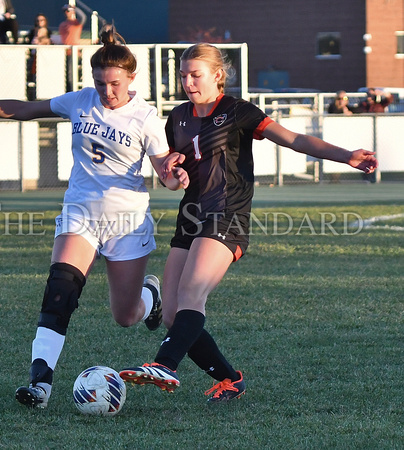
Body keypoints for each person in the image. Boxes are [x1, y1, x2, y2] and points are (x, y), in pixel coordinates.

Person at [0, 26, 184, 409]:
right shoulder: (80, 101)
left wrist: (174, 176)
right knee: (59, 294)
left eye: (114, 83)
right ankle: (40, 386)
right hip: (79, 214)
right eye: (100, 83)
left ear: (132, 78)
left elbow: (164, 170)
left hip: (127, 223)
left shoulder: (146, 118)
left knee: (126, 317)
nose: (107, 91)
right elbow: (25, 109)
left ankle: (151, 298)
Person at [119, 43, 378, 403]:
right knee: (174, 316)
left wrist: (345, 155)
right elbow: (171, 177)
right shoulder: (177, 117)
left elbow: (295, 139)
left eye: (196, 75)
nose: (188, 82)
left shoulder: (237, 111)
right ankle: (230, 380)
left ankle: (165, 365)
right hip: (190, 218)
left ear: (217, 75)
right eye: (183, 75)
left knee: (193, 295)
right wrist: (171, 171)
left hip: (227, 215)